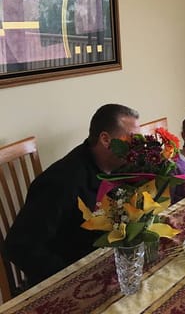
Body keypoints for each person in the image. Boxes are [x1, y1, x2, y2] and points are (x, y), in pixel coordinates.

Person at [5, 104, 140, 286]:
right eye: (131, 140)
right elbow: (19, 246)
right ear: (105, 139)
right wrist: (72, 279)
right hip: (69, 275)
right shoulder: (62, 181)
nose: (137, 148)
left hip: (104, 260)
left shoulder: (119, 167)